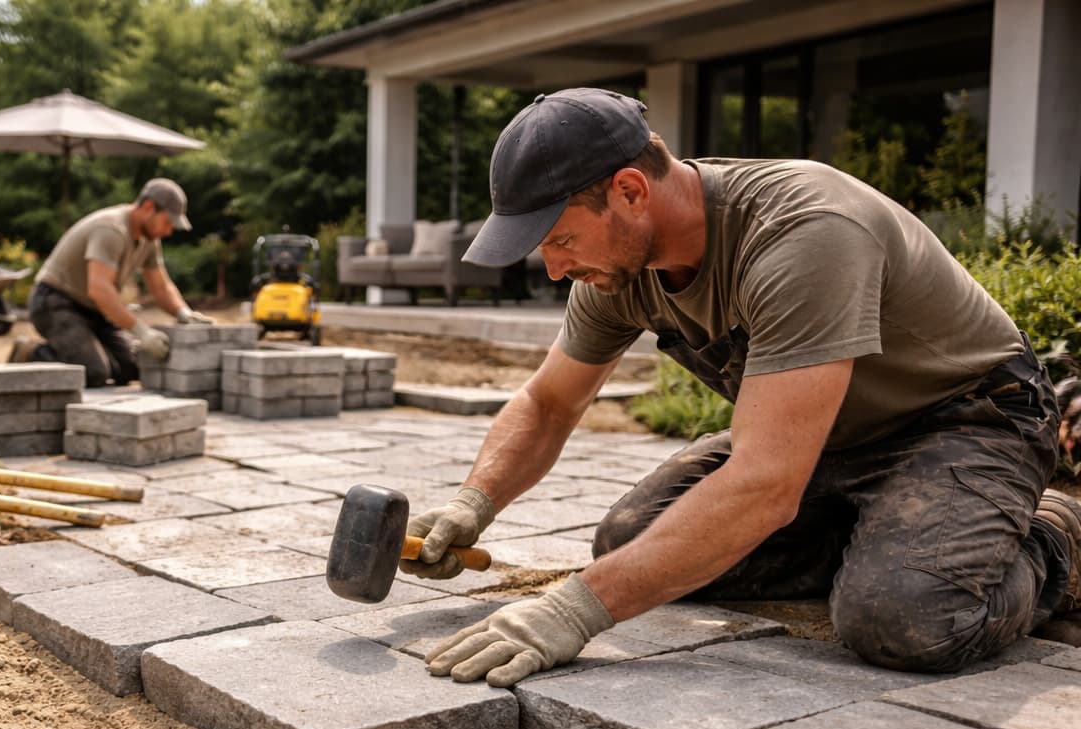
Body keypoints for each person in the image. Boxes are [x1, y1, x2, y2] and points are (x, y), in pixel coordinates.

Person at [403, 87, 1081, 688]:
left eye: (559, 239)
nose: (554, 270)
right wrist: (474, 502)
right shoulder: (613, 269)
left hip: (967, 419)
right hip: (826, 439)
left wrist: (572, 611)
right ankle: (896, 530)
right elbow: (548, 404)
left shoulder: (803, 232)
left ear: (630, 192)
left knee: (904, 617)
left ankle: (1053, 532)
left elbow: (763, 482)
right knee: (629, 542)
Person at [21, 177, 214, 386]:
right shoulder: (112, 229)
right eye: (167, 222)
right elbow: (99, 289)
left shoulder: (149, 240)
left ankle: (84, 352)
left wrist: (183, 313)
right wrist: (142, 332)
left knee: (133, 367)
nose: (168, 231)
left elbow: (160, 285)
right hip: (55, 304)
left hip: (94, 311)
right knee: (94, 371)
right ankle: (29, 352)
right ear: (149, 207)